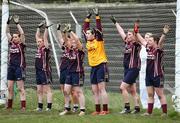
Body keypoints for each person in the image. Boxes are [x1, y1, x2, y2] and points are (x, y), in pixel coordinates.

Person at [134, 21, 170, 116]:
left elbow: (161, 41)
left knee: (160, 94)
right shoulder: (148, 48)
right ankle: (149, 112)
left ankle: (164, 113)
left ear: (155, 42)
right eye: (148, 40)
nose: (148, 42)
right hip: (148, 75)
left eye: (150, 40)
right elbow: (141, 40)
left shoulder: (158, 49)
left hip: (158, 75)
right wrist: (136, 31)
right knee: (150, 95)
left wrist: (164, 33)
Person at [110, 16, 141, 114]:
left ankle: (127, 108)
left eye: (130, 35)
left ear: (133, 35)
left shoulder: (136, 43)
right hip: (127, 69)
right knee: (132, 90)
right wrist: (115, 22)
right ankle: (137, 108)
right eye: (128, 35)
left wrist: (135, 30)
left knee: (122, 87)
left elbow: (136, 37)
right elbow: (121, 31)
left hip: (133, 68)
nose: (128, 36)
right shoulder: (127, 42)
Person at [83, 8, 109, 115]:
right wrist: (88, 17)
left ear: (94, 35)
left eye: (89, 33)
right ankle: (97, 110)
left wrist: (97, 16)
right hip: (93, 67)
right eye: (87, 34)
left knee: (102, 89)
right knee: (94, 90)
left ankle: (105, 109)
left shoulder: (98, 40)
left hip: (101, 65)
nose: (87, 34)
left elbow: (99, 28)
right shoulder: (88, 42)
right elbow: (85, 28)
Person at [59, 24, 86, 116]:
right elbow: (66, 40)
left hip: (78, 73)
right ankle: (67, 109)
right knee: (66, 91)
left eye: (74, 42)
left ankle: (82, 110)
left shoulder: (80, 50)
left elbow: (78, 40)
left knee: (78, 91)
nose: (73, 43)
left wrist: (70, 31)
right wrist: (64, 32)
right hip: (69, 73)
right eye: (72, 42)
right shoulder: (70, 50)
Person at [57, 23, 79, 113]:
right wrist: (59, 29)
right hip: (63, 69)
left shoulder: (73, 48)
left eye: (70, 39)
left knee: (73, 90)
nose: (67, 41)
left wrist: (65, 33)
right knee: (63, 89)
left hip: (70, 69)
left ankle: (76, 106)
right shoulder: (65, 47)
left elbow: (65, 39)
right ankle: (67, 104)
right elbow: (60, 39)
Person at [6, 15, 26, 111]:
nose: (14, 38)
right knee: (9, 88)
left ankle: (23, 106)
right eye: (13, 37)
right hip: (11, 68)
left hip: (19, 68)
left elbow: (22, 33)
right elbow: (7, 32)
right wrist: (8, 23)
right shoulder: (12, 43)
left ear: (18, 38)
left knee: (20, 88)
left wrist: (17, 23)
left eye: (15, 37)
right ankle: (9, 106)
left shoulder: (21, 44)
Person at [139, 32, 161, 109]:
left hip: (153, 70)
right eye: (145, 37)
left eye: (148, 37)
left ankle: (157, 105)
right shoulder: (143, 47)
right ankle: (145, 105)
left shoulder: (153, 48)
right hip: (143, 70)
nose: (146, 38)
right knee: (143, 88)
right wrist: (136, 32)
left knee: (155, 89)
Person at [35, 21, 53, 111]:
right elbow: (37, 36)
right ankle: (40, 106)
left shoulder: (45, 49)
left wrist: (46, 28)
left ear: (43, 42)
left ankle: (49, 107)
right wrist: (38, 27)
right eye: (38, 42)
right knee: (39, 90)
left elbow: (45, 37)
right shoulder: (38, 48)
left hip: (44, 70)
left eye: (40, 42)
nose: (38, 43)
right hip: (38, 71)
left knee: (47, 90)